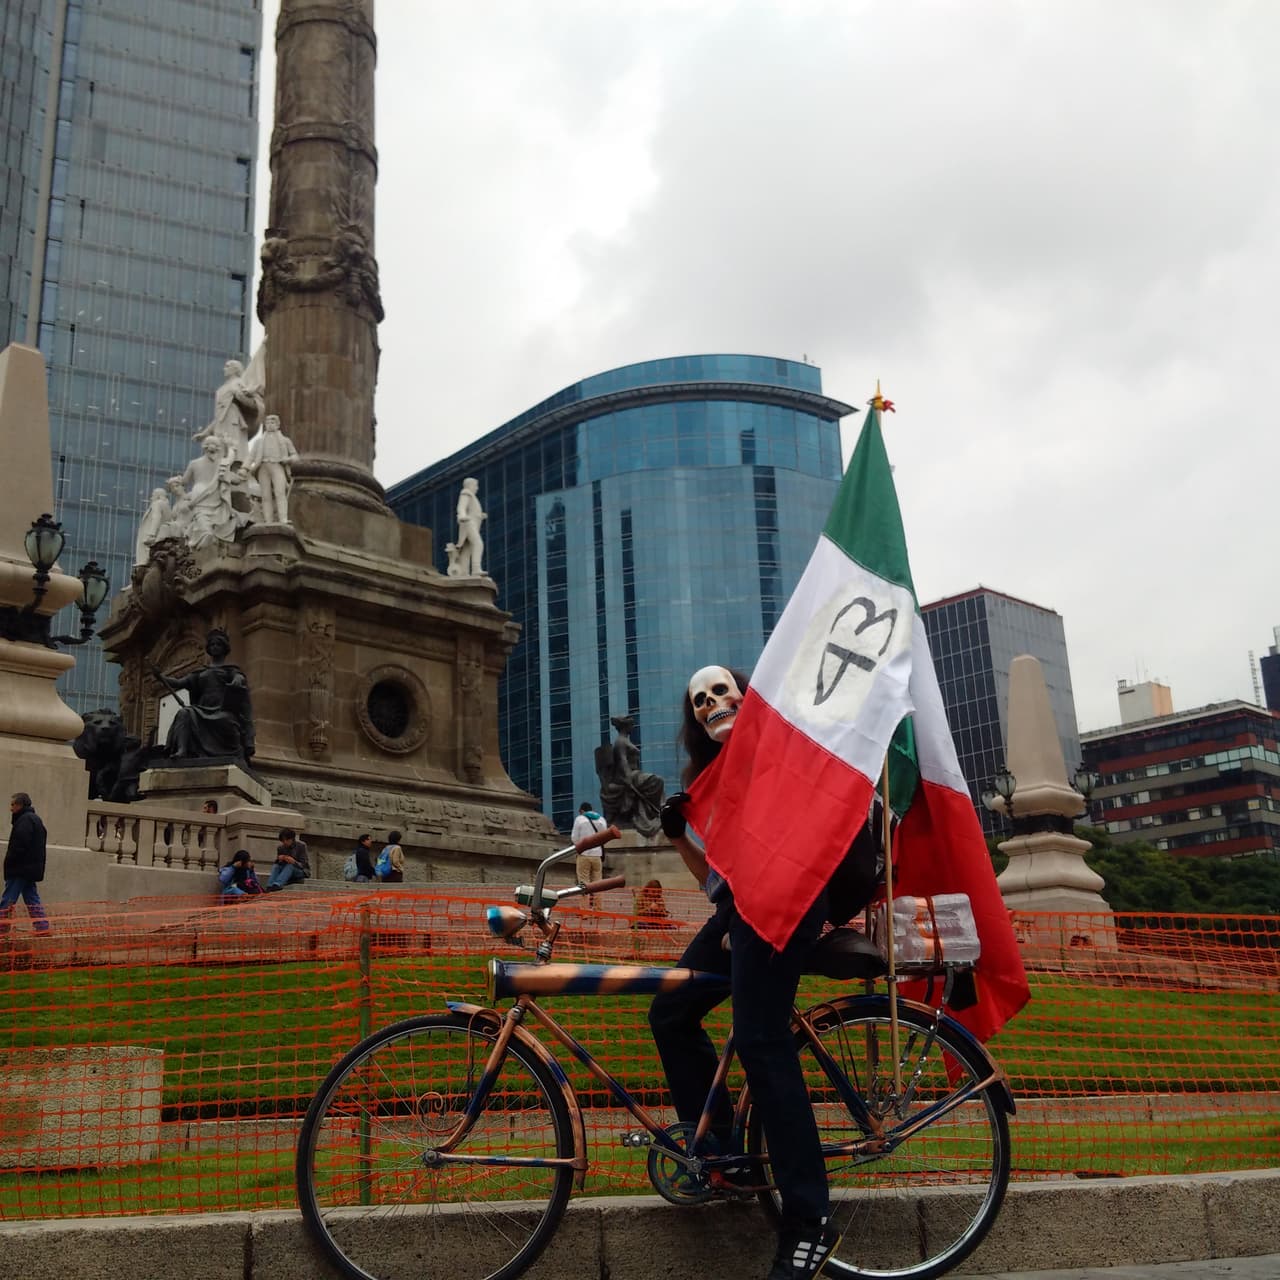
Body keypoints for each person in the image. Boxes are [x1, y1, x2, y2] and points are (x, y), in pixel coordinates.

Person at [650, 665, 879, 1280]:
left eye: (722, 691)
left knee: (761, 1039)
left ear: (747, 696)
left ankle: (809, 1221)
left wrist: (747, 909)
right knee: (670, 1009)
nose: (710, 703)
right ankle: (726, 1157)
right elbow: (713, 886)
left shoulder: (780, 748)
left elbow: (804, 838)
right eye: (698, 699)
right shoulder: (713, 781)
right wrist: (679, 837)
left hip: (788, 900)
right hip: (739, 907)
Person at [152, 628, 254, 763]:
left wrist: (237, 680)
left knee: (227, 720)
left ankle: (234, 753)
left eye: (218, 644)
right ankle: (182, 750)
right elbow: (178, 683)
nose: (215, 647)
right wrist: (161, 677)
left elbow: (238, 677)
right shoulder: (200, 672)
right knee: (184, 713)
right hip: (201, 709)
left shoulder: (230, 670)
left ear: (224, 648)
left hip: (221, 709)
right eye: (212, 645)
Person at [1, 793, 50, 936]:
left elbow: (19, 846)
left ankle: (2, 927)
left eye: (13, 805)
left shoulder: (24, 821)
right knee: (31, 897)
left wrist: (10, 863)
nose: (11, 808)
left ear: (20, 805)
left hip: (20, 868)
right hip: (30, 869)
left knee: (8, 899)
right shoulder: (35, 820)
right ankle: (42, 927)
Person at [246, 413, 299, 524]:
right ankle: (268, 521)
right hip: (263, 468)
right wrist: (244, 468)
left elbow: (296, 456)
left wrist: (287, 459)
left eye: (272, 423)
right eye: (268, 423)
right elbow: (250, 457)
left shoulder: (285, 440)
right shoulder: (259, 442)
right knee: (265, 496)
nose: (270, 425)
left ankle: (283, 519)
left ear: (278, 425)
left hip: (277, 466)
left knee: (280, 493)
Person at [571, 801, 607, 888]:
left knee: (583, 884)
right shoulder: (601, 820)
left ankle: (585, 902)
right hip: (597, 856)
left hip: (584, 854)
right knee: (598, 884)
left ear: (581, 811)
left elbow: (574, 838)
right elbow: (605, 837)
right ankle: (598, 902)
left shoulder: (580, 819)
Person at [453, 477, 485, 576]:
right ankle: (476, 568)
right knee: (478, 543)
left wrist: (480, 515)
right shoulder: (466, 492)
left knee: (467, 549)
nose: (477, 488)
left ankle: (463, 572)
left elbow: (472, 509)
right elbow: (461, 507)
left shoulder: (472, 496)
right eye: (475, 485)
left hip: (473, 523)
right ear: (470, 485)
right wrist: (462, 516)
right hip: (468, 522)